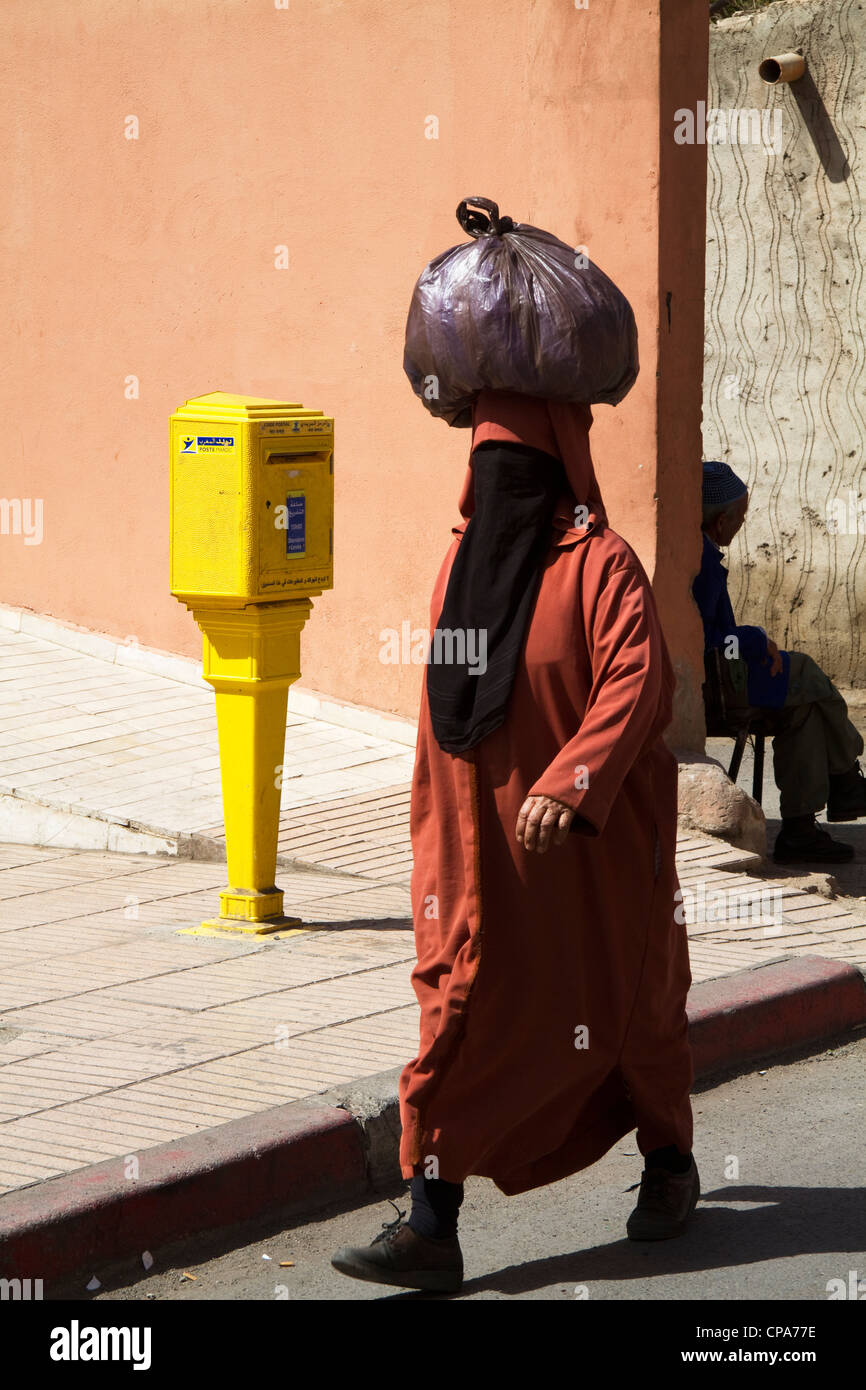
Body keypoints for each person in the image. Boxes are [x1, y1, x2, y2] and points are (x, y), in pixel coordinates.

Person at [331, 389, 699, 1295]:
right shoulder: (462, 561)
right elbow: (442, 712)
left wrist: (572, 782)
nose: (504, 491)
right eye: (490, 473)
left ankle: (670, 1167)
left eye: (521, 474)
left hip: (590, 851)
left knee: (627, 1003)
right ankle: (432, 1225)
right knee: (460, 1004)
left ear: (557, 476)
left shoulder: (603, 565)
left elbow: (639, 681)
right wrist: (434, 830)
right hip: (474, 849)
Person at [693, 460, 866, 864]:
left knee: (803, 709)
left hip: (723, 679)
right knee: (803, 668)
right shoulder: (699, 564)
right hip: (715, 689)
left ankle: (801, 831)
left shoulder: (701, 553)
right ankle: (846, 779)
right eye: (740, 516)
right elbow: (701, 641)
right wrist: (754, 638)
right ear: (720, 521)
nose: (741, 523)